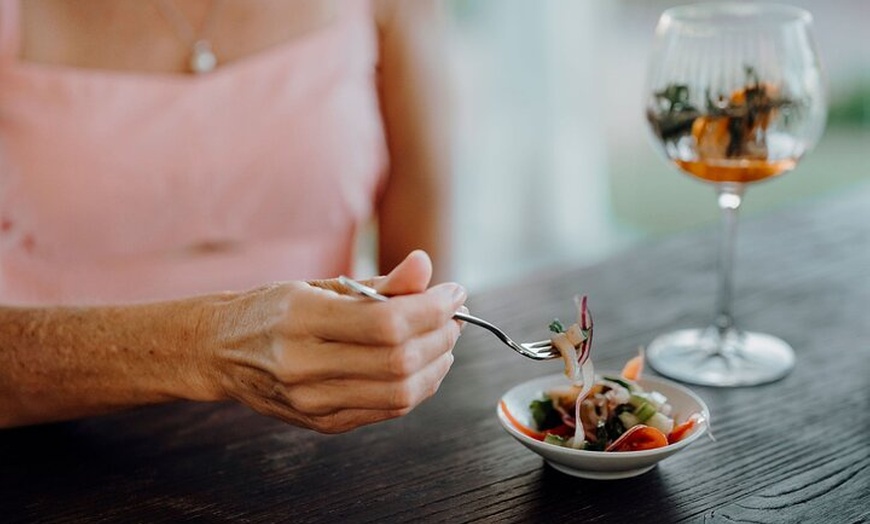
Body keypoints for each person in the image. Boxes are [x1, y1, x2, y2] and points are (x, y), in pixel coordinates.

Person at [0, 0, 465, 433]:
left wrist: (403, 346)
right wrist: (209, 347)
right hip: (50, 445)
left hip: (311, 442)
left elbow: (421, 265)